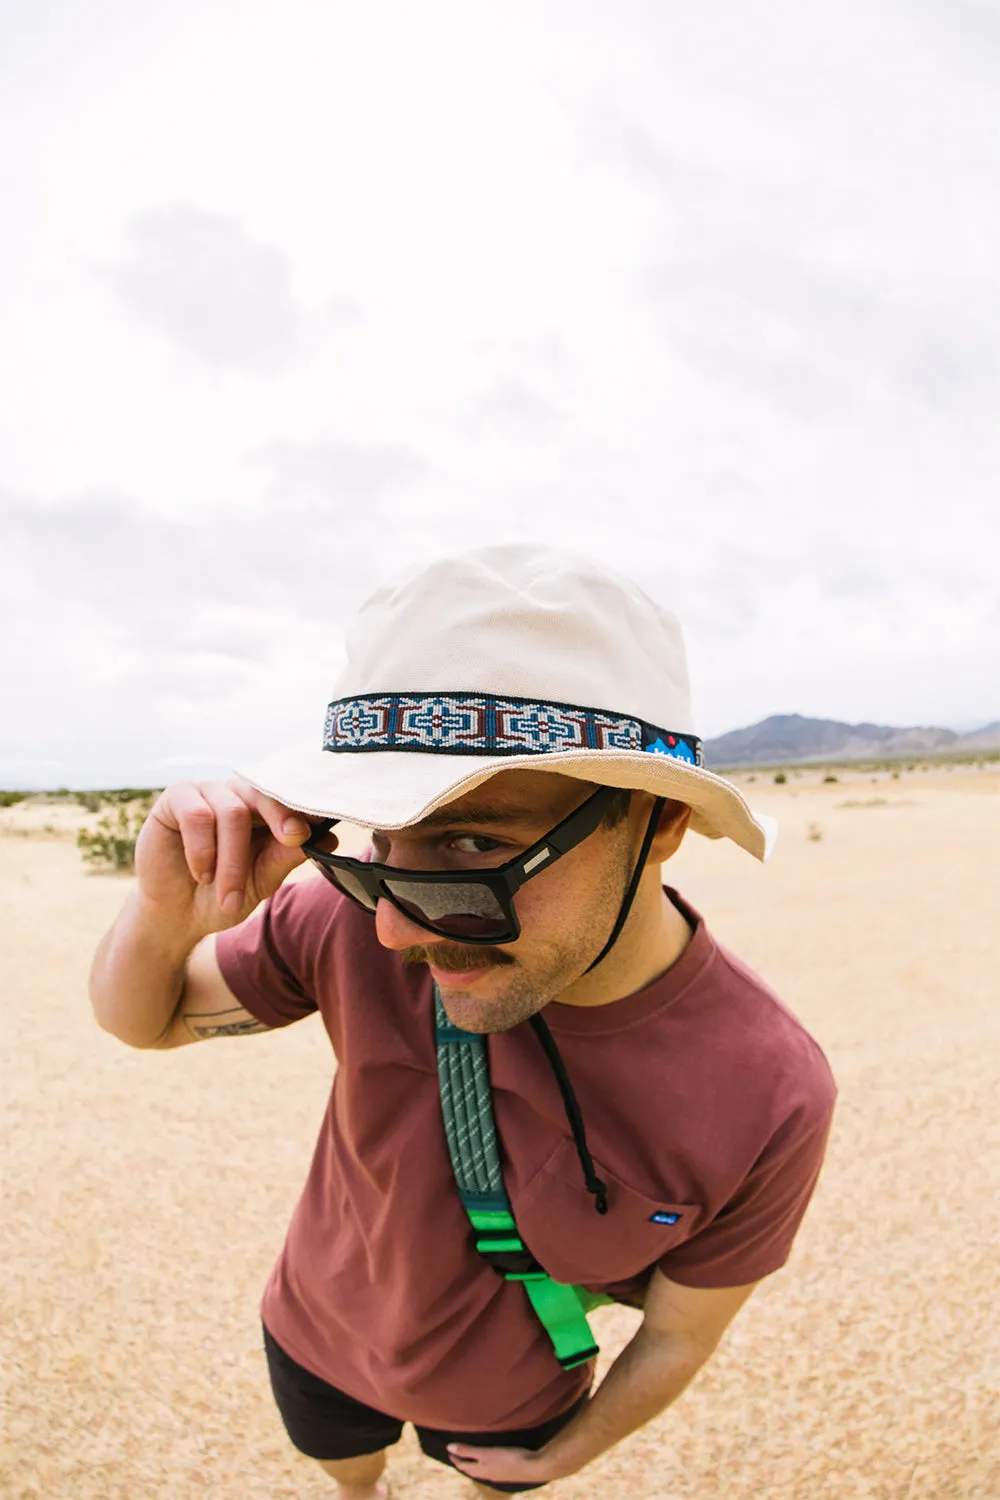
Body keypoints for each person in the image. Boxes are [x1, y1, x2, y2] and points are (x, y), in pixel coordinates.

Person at [90, 545, 836, 1498]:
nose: (397, 927)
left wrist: (567, 1454)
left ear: (657, 821)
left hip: (515, 1396)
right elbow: (143, 1022)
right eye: (380, 847)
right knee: (348, 1479)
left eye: (474, 844)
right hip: (317, 1332)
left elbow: (682, 1330)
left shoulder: (770, 1091)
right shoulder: (352, 917)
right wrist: (159, 914)